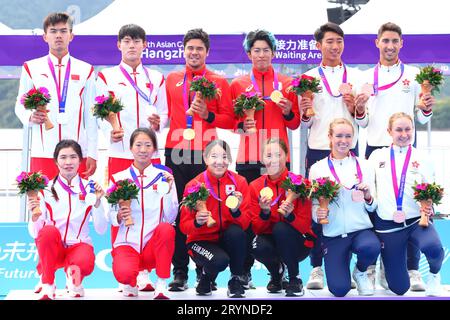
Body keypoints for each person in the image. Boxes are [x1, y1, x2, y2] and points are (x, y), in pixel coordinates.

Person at [356, 22, 435, 291]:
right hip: (374, 151)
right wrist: (359, 108)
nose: (390, 46)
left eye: (395, 41)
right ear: (377, 42)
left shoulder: (414, 76)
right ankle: (370, 268)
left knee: (410, 207)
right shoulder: (364, 77)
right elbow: (362, 122)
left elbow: (423, 119)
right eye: (385, 41)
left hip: (404, 152)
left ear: (401, 44)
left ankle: (413, 270)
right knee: (373, 210)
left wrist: (426, 108)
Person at [96, 24, 168, 291]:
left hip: (151, 155)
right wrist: (109, 131)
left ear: (145, 45)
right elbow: (98, 114)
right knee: (119, 208)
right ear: (119, 45)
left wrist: (159, 122)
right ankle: (125, 271)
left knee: (152, 209)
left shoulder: (157, 77)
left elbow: (165, 113)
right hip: (120, 154)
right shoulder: (106, 77)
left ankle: (146, 271)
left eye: (137, 41)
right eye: (126, 41)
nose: (132, 46)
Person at [165, 28, 234, 291]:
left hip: (207, 153)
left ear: (207, 52)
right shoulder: (172, 78)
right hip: (176, 151)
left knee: (206, 210)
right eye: (190, 48)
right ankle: (179, 271)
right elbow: (165, 113)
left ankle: (204, 271)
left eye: (199, 49)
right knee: (179, 211)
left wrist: (208, 115)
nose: (194, 53)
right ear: (183, 51)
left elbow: (230, 119)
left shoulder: (218, 81)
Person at [230, 29, 300, 287]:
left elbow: (293, 124)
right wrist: (241, 125)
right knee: (248, 216)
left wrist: (289, 110)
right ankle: (245, 271)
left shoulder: (286, 82)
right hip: (247, 157)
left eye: (266, 50)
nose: (261, 55)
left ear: (273, 52)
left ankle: (277, 270)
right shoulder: (237, 85)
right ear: (249, 54)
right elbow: (232, 124)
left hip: (278, 160)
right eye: (256, 50)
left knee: (278, 216)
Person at [301, 22, 368, 290]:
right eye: (329, 41)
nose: (334, 46)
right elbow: (303, 123)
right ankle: (316, 267)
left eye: (339, 41)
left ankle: (351, 266)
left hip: (348, 150)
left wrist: (357, 109)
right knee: (319, 209)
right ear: (318, 46)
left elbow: (363, 122)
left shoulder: (357, 76)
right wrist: (305, 113)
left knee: (351, 207)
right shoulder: (307, 78)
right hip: (318, 150)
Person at [15, 12, 98, 180]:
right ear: (45, 36)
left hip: (76, 152)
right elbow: (20, 105)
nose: (58, 35)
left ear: (71, 36)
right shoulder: (31, 67)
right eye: (53, 31)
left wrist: (93, 153)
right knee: (42, 202)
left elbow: (91, 115)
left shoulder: (86, 69)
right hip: (43, 151)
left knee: (78, 203)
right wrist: (30, 116)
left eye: (63, 31)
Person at [369, 112, 444, 296]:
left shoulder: (423, 158)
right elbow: (371, 190)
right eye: (399, 130)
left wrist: (430, 206)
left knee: (434, 250)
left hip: (416, 222)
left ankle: (434, 277)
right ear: (389, 132)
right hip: (388, 225)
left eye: (408, 129)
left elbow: (431, 191)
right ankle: (385, 270)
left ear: (414, 130)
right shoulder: (377, 156)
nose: (404, 134)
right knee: (399, 289)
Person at [27, 139, 107, 300]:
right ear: (56, 161)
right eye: (63, 157)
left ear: (80, 160)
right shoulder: (46, 190)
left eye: (73, 157)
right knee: (48, 231)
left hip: (77, 247)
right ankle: (47, 283)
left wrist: (98, 203)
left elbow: (101, 229)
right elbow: (36, 234)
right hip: (53, 250)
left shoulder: (91, 189)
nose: (68, 162)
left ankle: (74, 280)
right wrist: (35, 217)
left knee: (81, 270)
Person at [309, 119, 380, 297]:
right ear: (330, 137)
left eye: (348, 136)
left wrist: (368, 197)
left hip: (360, 230)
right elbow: (315, 205)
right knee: (339, 290)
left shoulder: (365, 165)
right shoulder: (317, 169)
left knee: (371, 247)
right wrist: (318, 215)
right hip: (333, 234)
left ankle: (360, 271)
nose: (344, 140)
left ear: (354, 138)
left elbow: (373, 207)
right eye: (339, 135)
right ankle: (342, 271)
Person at [109, 128, 178, 299]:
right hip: (127, 244)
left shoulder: (164, 176)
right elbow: (109, 216)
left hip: (152, 246)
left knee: (166, 229)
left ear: (154, 149)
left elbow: (171, 217)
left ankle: (161, 284)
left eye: (148, 145)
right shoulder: (118, 178)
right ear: (130, 148)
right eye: (138, 145)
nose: (143, 150)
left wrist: (168, 192)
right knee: (124, 275)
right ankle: (131, 280)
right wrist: (118, 215)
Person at [180, 140, 251, 298]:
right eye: (214, 156)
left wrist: (235, 211)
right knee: (219, 261)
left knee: (237, 234)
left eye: (224, 157)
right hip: (200, 241)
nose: (220, 162)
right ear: (205, 159)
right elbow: (184, 227)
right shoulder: (194, 185)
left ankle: (236, 280)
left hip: (226, 239)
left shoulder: (239, 182)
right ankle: (205, 277)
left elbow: (246, 224)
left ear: (230, 160)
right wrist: (197, 222)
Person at [250, 138, 315, 297]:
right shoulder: (255, 186)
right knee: (256, 246)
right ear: (262, 159)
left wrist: (290, 217)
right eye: (269, 155)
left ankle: (295, 278)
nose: (273, 160)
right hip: (272, 242)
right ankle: (277, 274)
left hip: (298, 243)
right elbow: (257, 229)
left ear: (286, 156)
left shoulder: (300, 184)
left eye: (278, 154)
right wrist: (264, 212)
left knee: (281, 228)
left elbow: (306, 226)